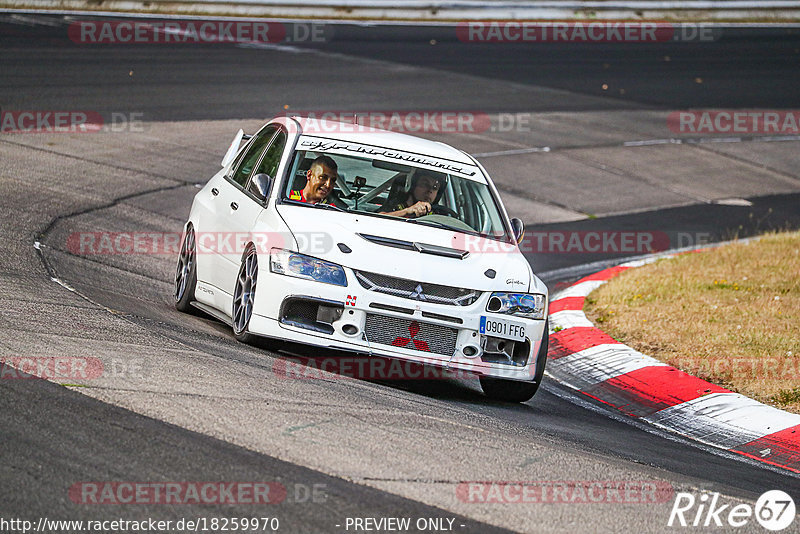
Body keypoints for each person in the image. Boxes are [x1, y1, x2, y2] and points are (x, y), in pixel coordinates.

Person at [379, 171, 445, 218]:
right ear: (412, 186)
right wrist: (406, 212)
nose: (430, 190)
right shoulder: (395, 206)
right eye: (425, 184)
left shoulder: (439, 215)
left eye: (435, 187)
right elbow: (377, 219)